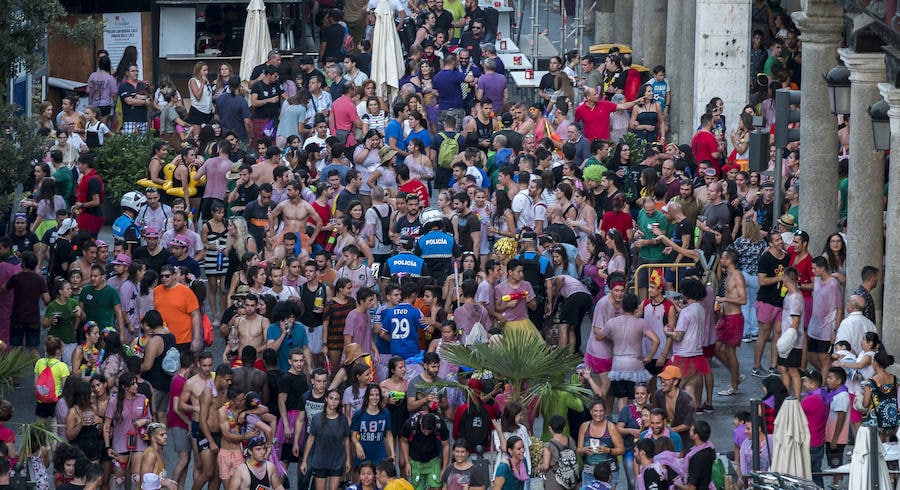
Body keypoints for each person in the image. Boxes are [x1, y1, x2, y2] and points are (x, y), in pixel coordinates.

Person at [301, 389, 351, 490]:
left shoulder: (343, 419)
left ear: (340, 401)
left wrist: (348, 460)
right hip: (320, 460)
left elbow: (346, 440)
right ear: (326, 399)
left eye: (336, 399)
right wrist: (304, 461)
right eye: (331, 398)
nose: (333, 401)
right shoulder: (317, 418)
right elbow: (310, 439)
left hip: (337, 460)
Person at [715, 249, 746, 396]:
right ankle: (736, 375)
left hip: (734, 318)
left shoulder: (737, 276)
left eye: (723, 258)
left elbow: (743, 299)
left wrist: (724, 300)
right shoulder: (728, 275)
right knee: (715, 347)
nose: (721, 260)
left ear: (729, 260)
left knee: (730, 352)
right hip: (725, 317)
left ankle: (734, 384)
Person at [576, 399, 623, 488]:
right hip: (589, 472)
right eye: (595, 411)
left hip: (608, 473)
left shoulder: (611, 427)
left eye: (601, 411)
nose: (598, 414)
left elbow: (621, 449)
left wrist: (608, 450)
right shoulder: (584, 426)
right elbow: (578, 450)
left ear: (605, 412)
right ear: (590, 411)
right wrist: (584, 450)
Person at [139, 423, 178, 489]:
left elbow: (159, 476)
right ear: (153, 438)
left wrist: (168, 481)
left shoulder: (160, 451)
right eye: (162, 435)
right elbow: (145, 481)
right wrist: (165, 483)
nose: (166, 437)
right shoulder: (150, 455)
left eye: (166, 434)